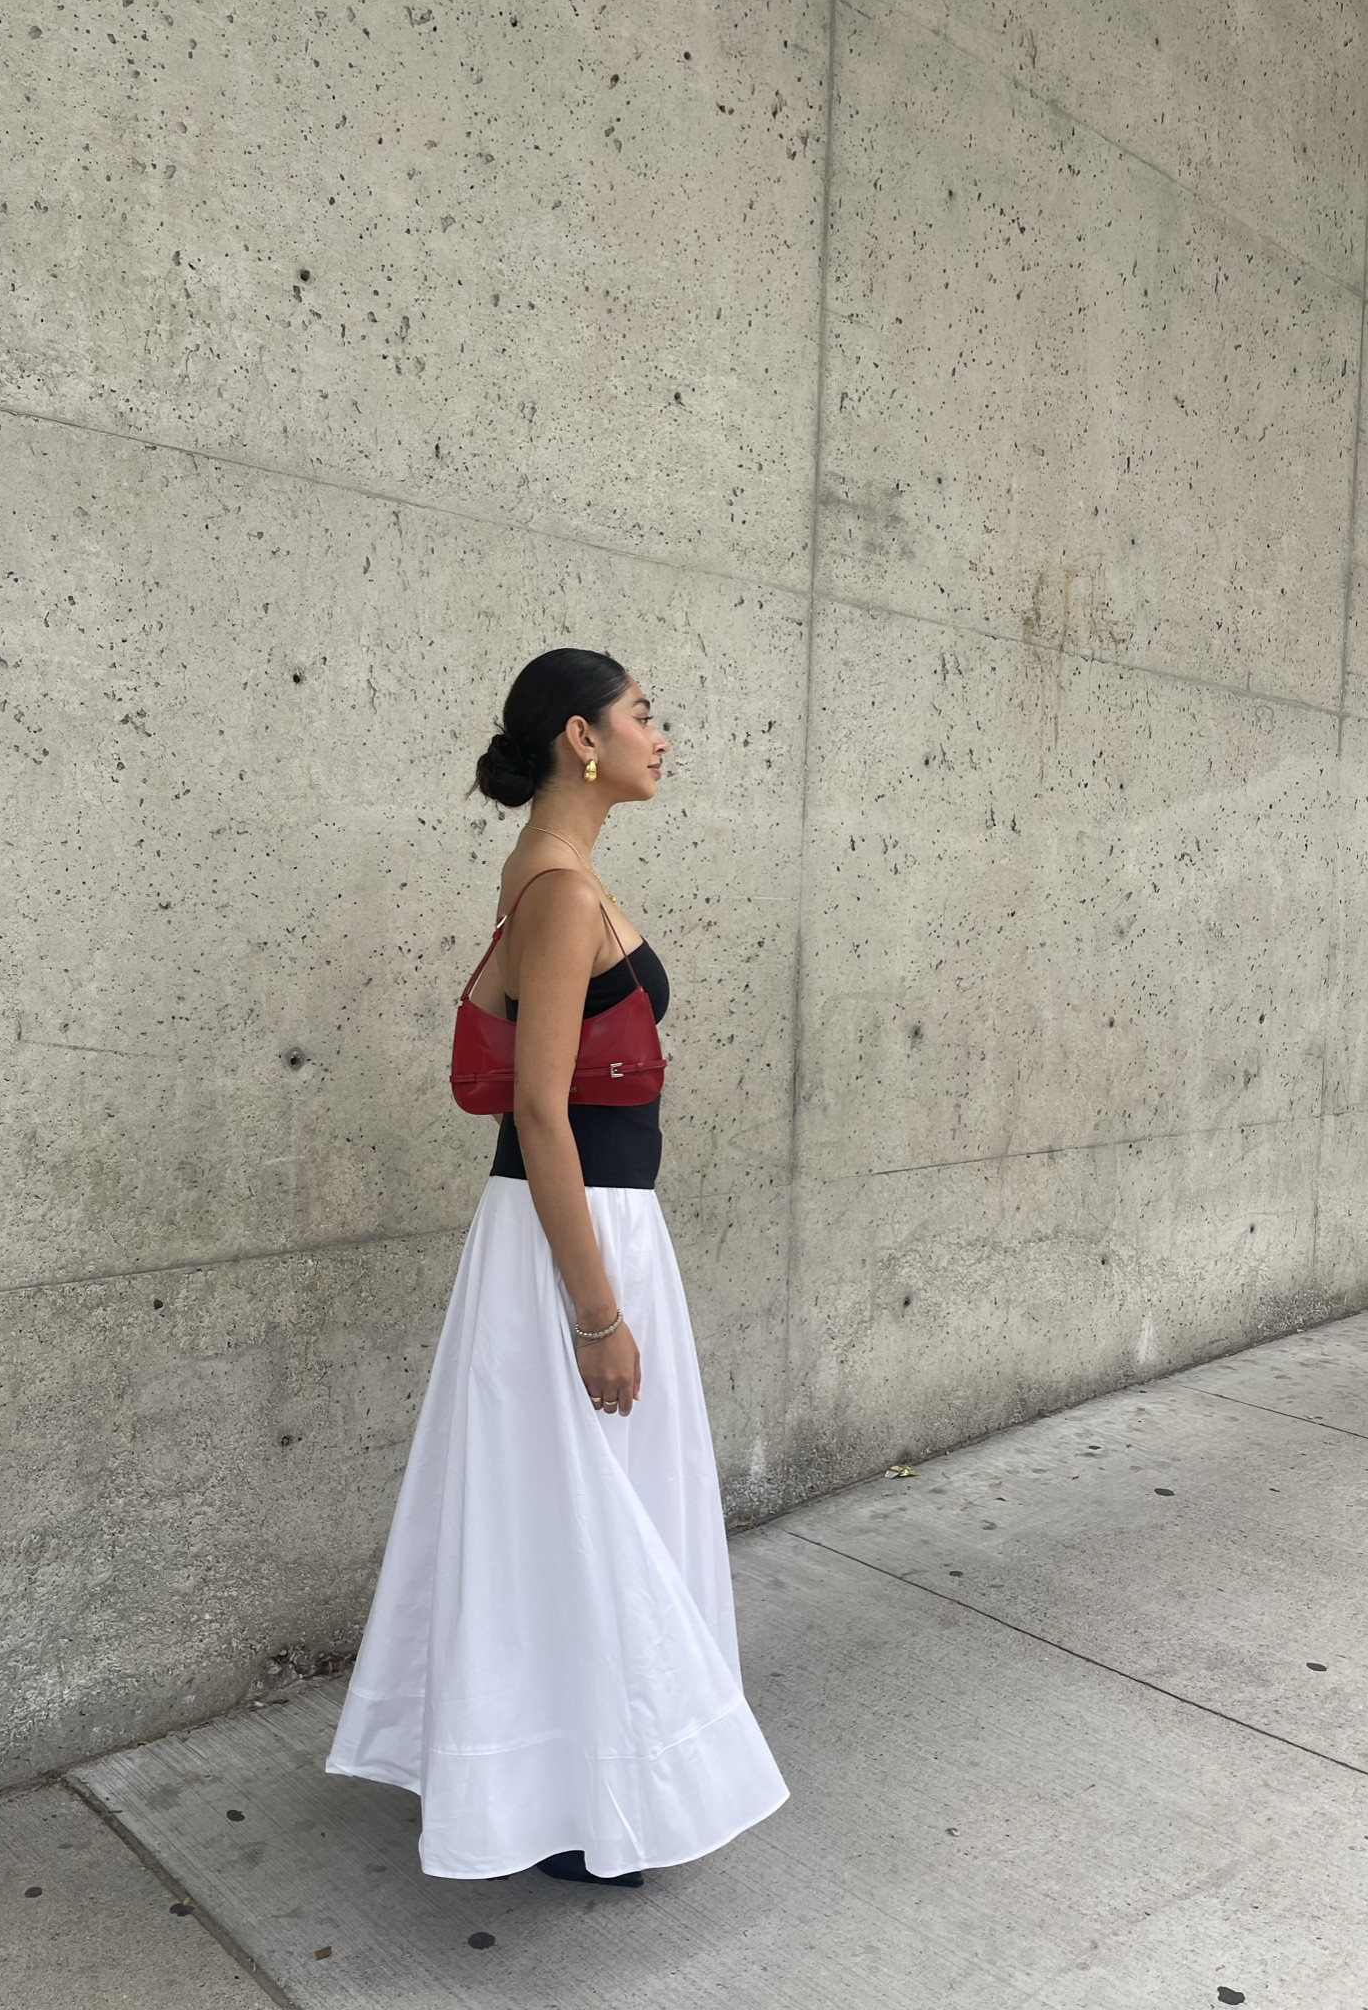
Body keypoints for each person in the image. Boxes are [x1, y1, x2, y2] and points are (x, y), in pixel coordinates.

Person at [324, 648, 789, 1886]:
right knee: (580, 1518)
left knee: (579, 1517)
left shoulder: (561, 876)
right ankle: (579, 1796)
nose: (663, 737)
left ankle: (579, 1783)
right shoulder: (558, 891)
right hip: (569, 1239)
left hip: (588, 1229)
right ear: (584, 736)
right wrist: (597, 1312)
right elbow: (539, 1114)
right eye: (648, 715)